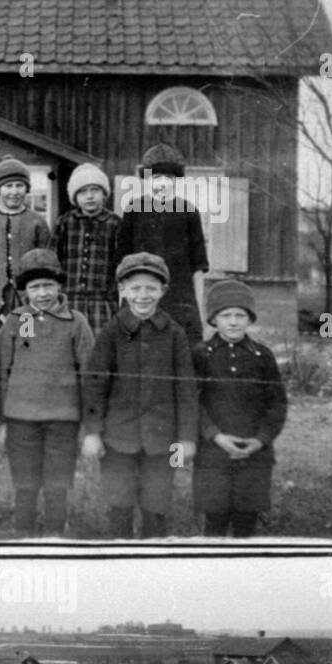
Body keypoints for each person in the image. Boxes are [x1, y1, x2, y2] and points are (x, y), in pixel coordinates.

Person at [81, 252, 198, 539]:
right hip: (118, 439)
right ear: (122, 290)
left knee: (157, 506)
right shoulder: (110, 332)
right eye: (134, 288)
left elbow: (186, 389)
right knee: (118, 504)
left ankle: (152, 563)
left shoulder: (175, 334)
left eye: (150, 288)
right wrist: (93, 432)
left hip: (164, 441)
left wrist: (186, 439)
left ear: (163, 291)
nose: (142, 296)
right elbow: (96, 385)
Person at [0, 249, 95, 537]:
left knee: (57, 485)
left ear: (59, 286)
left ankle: (54, 538)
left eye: (48, 286)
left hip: (63, 419)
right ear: (25, 291)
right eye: (34, 287)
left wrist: (89, 427)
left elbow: (89, 376)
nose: (42, 294)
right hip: (21, 418)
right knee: (25, 484)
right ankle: (23, 538)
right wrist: (0, 421)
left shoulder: (76, 323)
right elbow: (1, 371)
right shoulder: (18, 321)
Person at [191, 280, 288, 537]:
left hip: (255, 455)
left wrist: (261, 440)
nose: (233, 322)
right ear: (213, 319)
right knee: (215, 522)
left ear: (249, 319)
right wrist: (215, 436)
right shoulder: (201, 354)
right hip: (213, 454)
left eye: (240, 315)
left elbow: (277, 402)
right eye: (225, 315)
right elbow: (192, 402)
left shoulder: (262, 356)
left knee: (246, 523)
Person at [118, 143, 208, 346]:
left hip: (179, 300)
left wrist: (198, 309)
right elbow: (122, 264)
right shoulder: (134, 210)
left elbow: (198, 267)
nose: (162, 184)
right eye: (156, 178)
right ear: (147, 181)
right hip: (141, 298)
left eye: (168, 178)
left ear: (176, 182)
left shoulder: (188, 211)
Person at [0, 155, 53, 331]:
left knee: (26, 344)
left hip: (27, 303)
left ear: (26, 189)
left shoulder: (37, 222)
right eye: (8, 186)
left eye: (19, 185)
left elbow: (47, 267)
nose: (14, 191)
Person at [54, 161, 122, 334]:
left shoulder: (115, 224)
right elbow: (53, 262)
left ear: (104, 194)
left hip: (103, 302)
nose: (89, 196)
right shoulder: (65, 223)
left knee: (100, 350)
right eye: (83, 192)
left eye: (95, 190)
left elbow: (121, 265)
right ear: (75, 197)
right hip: (70, 301)